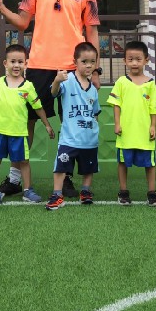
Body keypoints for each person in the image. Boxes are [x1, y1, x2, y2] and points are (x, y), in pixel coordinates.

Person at [0, 0, 100, 198]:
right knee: (26, 122)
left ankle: (67, 177)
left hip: (73, 68)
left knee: (72, 122)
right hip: (39, 64)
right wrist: (2, 9)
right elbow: (23, 22)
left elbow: (92, 31)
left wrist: (94, 69)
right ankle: (15, 179)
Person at [0, 43, 54, 204]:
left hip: (19, 133)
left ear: (26, 64)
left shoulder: (28, 86)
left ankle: (27, 191)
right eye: (13, 61)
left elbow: (38, 107)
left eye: (20, 62)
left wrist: (47, 124)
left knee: (24, 162)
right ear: (5, 63)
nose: (16, 65)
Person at [45, 42, 102, 210]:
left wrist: (95, 128)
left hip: (89, 139)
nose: (89, 65)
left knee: (88, 168)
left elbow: (95, 112)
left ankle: (85, 191)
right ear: (75, 61)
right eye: (84, 61)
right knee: (60, 167)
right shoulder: (67, 79)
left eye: (92, 62)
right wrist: (57, 80)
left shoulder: (93, 90)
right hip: (69, 138)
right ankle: (57, 195)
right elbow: (53, 93)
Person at [108, 40, 156, 206]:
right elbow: (116, 105)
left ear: (146, 60)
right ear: (124, 61)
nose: (134, 63)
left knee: (150, 164)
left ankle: (152, 193)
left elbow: (155, 108)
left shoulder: (150, 84)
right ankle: (123, 192)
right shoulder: (121, 82)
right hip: (126, 133)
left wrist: (153, 126)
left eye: (138, 59)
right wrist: (117, 124)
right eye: (130, 59)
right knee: (122, 162)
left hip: (144, 133)